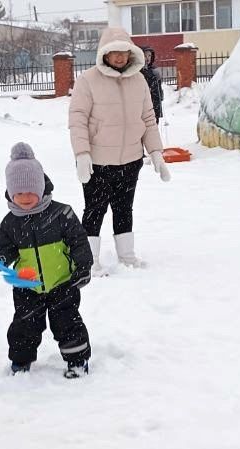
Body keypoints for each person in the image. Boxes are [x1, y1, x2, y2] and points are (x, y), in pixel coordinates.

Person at [0, 143, 93, 379]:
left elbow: (79, 241)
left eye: (30, 191)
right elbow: (7, 249)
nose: (25, 198)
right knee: (24, 326)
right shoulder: (10, 222)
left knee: (67, 323)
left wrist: (83, 266)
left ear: (41, 187)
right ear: (11, 193)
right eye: (18, 193)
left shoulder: (61, 214)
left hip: (62, 283)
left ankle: (77, 360)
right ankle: (20, 362)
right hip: (26, 287)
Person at [69, 27, 171, 275]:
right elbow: (77, 119)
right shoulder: (88, 80)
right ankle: (89, 259)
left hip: (131, 159)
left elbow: (148, 118)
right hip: (99, 161)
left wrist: (155, 152)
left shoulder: (139, 80)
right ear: (104, 53)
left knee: (124, 208)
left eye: (123, 52)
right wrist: (82, 154)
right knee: (95, 209)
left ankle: (127, 255)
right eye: (113, 52)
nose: (119, 57)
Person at [140, 46, 165, 122]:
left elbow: (158, 89)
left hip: (155, 106)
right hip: (143, 108)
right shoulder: (138, 72)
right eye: (144, 55)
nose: (147, 58)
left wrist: (160, 96)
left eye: (149, 55)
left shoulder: (154, 71)